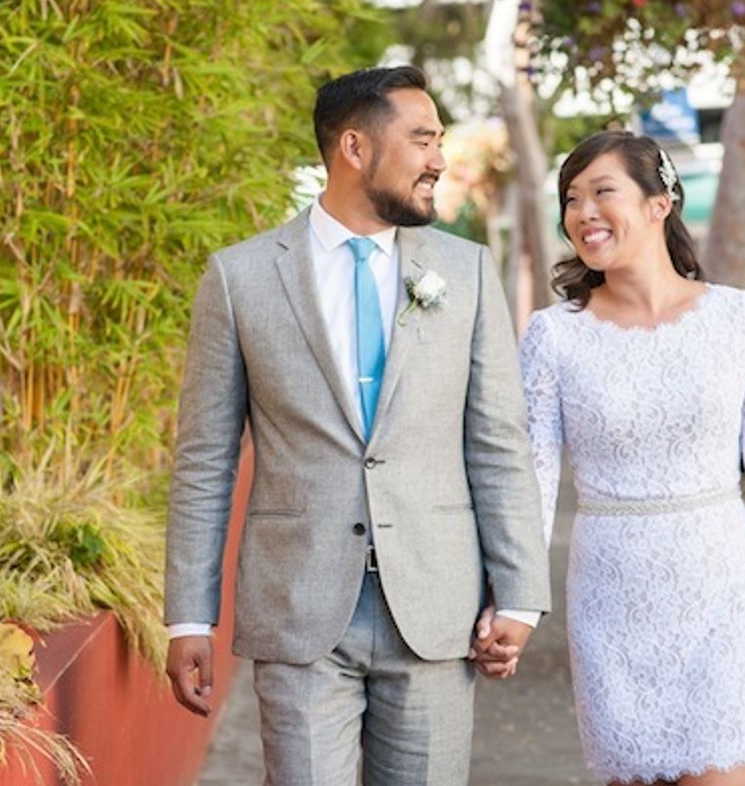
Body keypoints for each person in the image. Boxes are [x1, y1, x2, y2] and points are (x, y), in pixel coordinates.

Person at [163, 65, 551, 786]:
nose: (439, 160)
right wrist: (189, 617)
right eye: (422, 140)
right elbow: (205, 459)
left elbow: (498, 443)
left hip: (436, 607)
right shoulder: (240, 278)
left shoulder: (466, 272)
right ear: (354, 147)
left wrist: (521, 591)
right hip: (299, 612)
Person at [507, 131, 745, 786]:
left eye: (602, 192)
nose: (583, 212)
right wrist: (516, 602)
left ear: (659, 203)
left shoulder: (738, 319)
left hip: (722, 593)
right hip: (610, 598)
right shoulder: (552, 335)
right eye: (571, 199)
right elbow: (531, 476)